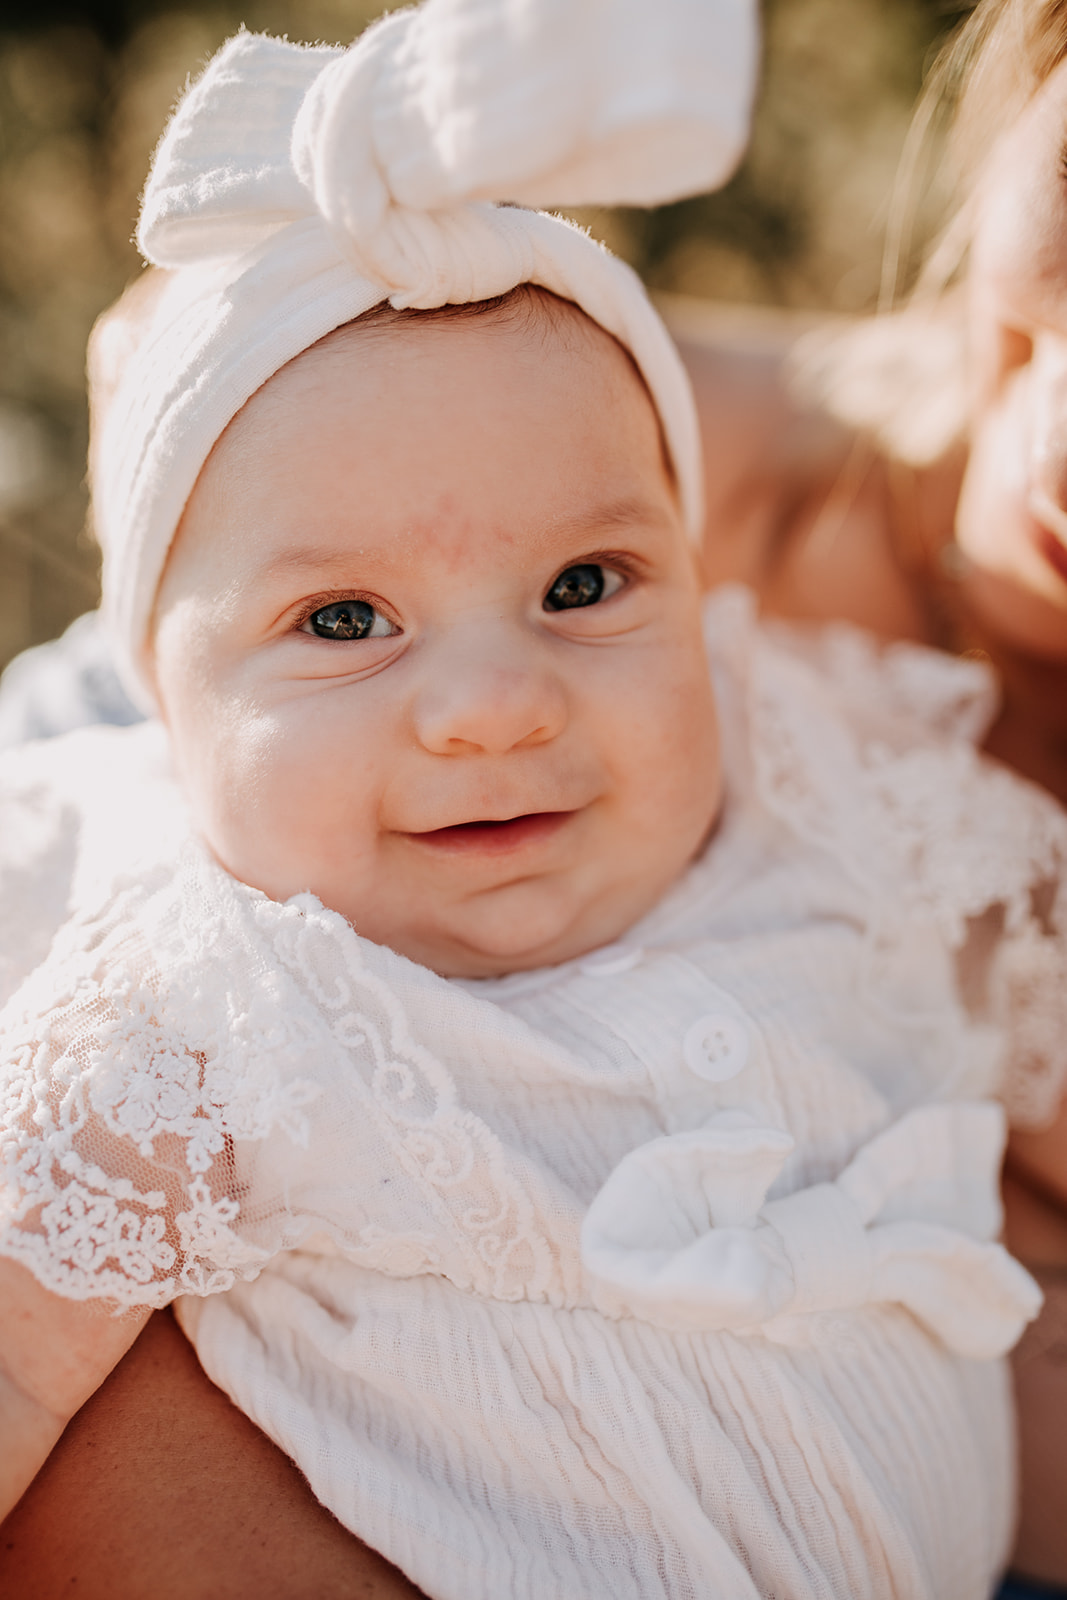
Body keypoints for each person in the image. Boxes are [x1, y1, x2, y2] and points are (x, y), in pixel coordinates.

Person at [1, 4, 1066, 1599]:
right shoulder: (194, 1022)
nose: (498, 702)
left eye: (584, 584)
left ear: (701, 596)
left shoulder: (828, 776)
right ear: (170, 717)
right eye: (344, 622)